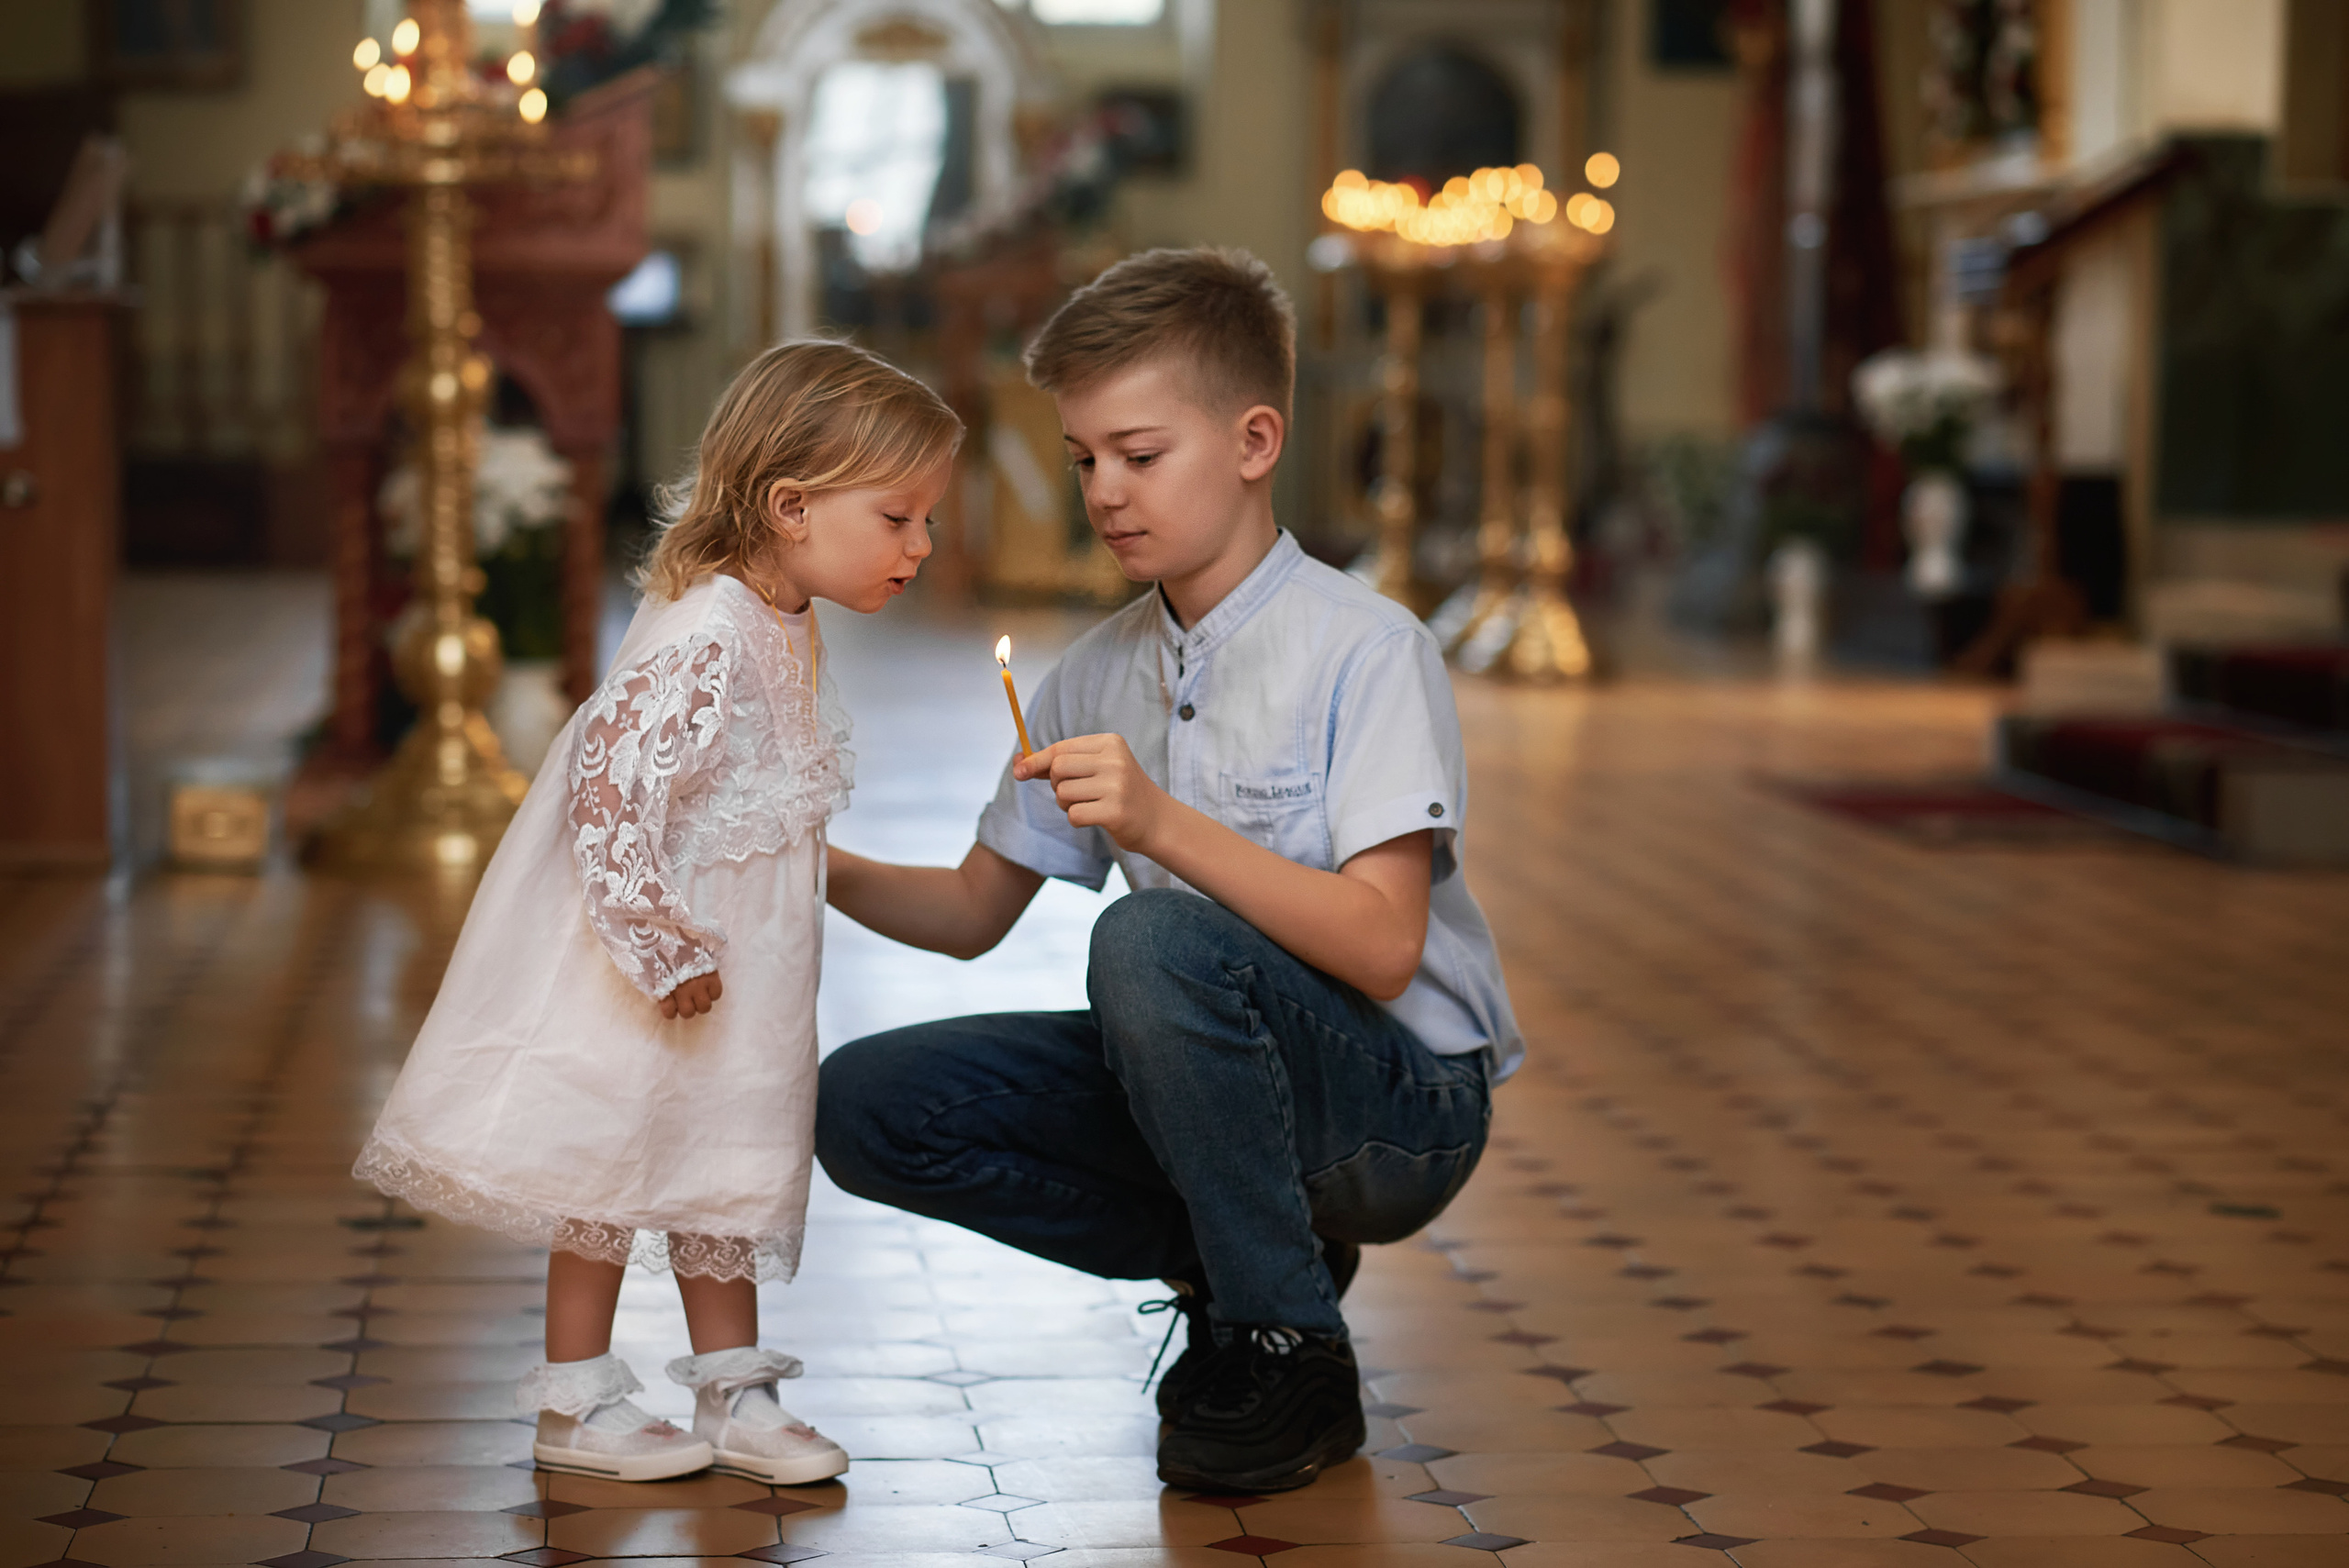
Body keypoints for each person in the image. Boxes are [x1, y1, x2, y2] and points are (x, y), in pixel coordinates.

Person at [817, 247, 1520, 1494]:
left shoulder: (1367, 649)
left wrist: (1157, 822)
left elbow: (1383, 947)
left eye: (1141, 455)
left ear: (1255, 441)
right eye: (1085, 457)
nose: (1104, 491)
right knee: (867, 1106)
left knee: (1148, 941)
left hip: (1401, 1104)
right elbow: (975, 913)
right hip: (1216, 1086)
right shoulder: (1096, 665)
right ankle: (1249, 1264)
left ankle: (1287, 1346)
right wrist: (802, 859)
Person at [353, 340, 959, 1485]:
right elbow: (608, 793)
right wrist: (655, 939)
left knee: (721, 1155)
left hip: (747, 970)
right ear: (790, 506)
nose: (920, 546)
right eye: (899, 517)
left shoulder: (785, 616)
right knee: (607, 1171)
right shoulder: (708, 634)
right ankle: (575, 1399)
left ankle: (733, 1389)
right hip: (658, 969)